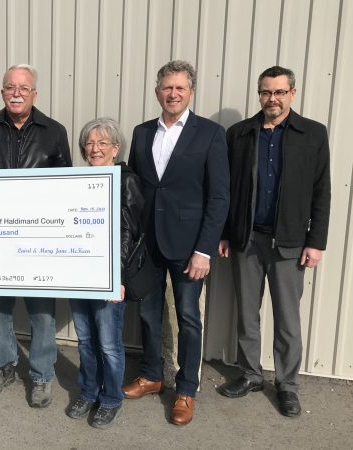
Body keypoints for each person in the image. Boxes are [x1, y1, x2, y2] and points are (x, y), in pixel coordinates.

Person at [217, 66, 331, 417]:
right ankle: (251, 374)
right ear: (259, 94)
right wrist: (224, 232)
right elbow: (227, 189)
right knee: (247, 313)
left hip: (290, 243)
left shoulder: (312, 133)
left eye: (280, 92)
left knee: (286, 317)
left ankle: (287, 385)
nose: (273, 98)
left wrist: (316, 241)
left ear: (292, 94)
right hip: (247, 240)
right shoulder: (239, 134)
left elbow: (321, 190)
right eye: (266, 92)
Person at [123, 60, 230, 426]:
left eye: (180, 88)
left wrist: (204, 249)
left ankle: (186, 388)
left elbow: (219, 197)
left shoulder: (210, 134)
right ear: (157, 92)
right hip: (148, 244)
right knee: (149, 315)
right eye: (167, 88)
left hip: (189, 248)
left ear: (190, 92)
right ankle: (152, 375)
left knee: (188, 317)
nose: (173, 94)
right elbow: (134, 188)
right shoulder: (140, 133)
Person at [0, 64, 71, 408]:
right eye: (10, 87)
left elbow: (68, 186)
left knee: (42, 312)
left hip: (37, 240)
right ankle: (3, 366)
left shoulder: (54, 131)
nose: (17, 93)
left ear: (34, 93)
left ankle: (40, 374)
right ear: (2, 92)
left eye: (24, 87)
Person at [66, 118, 143, 429]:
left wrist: (118, 278)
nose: (95, 148)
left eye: (102, 143)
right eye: (89, 142)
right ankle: (88, 390)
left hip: (108, 277)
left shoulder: (126, 180)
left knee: (109, 342)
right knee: (85, 339)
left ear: (116, 148)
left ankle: (110, 397)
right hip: (77, 274)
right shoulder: (77, 180)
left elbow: (129, 232)